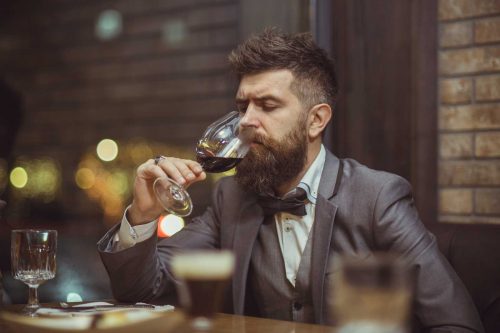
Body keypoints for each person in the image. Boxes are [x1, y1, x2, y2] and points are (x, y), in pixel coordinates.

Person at [98, 29, 483, 332]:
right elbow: (142, 291)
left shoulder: (378, 196)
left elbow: (456, 324)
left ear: (316, 120)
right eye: (242, 106)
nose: (247, 121)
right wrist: (143, 216)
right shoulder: (231, 198)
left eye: (266, 106)